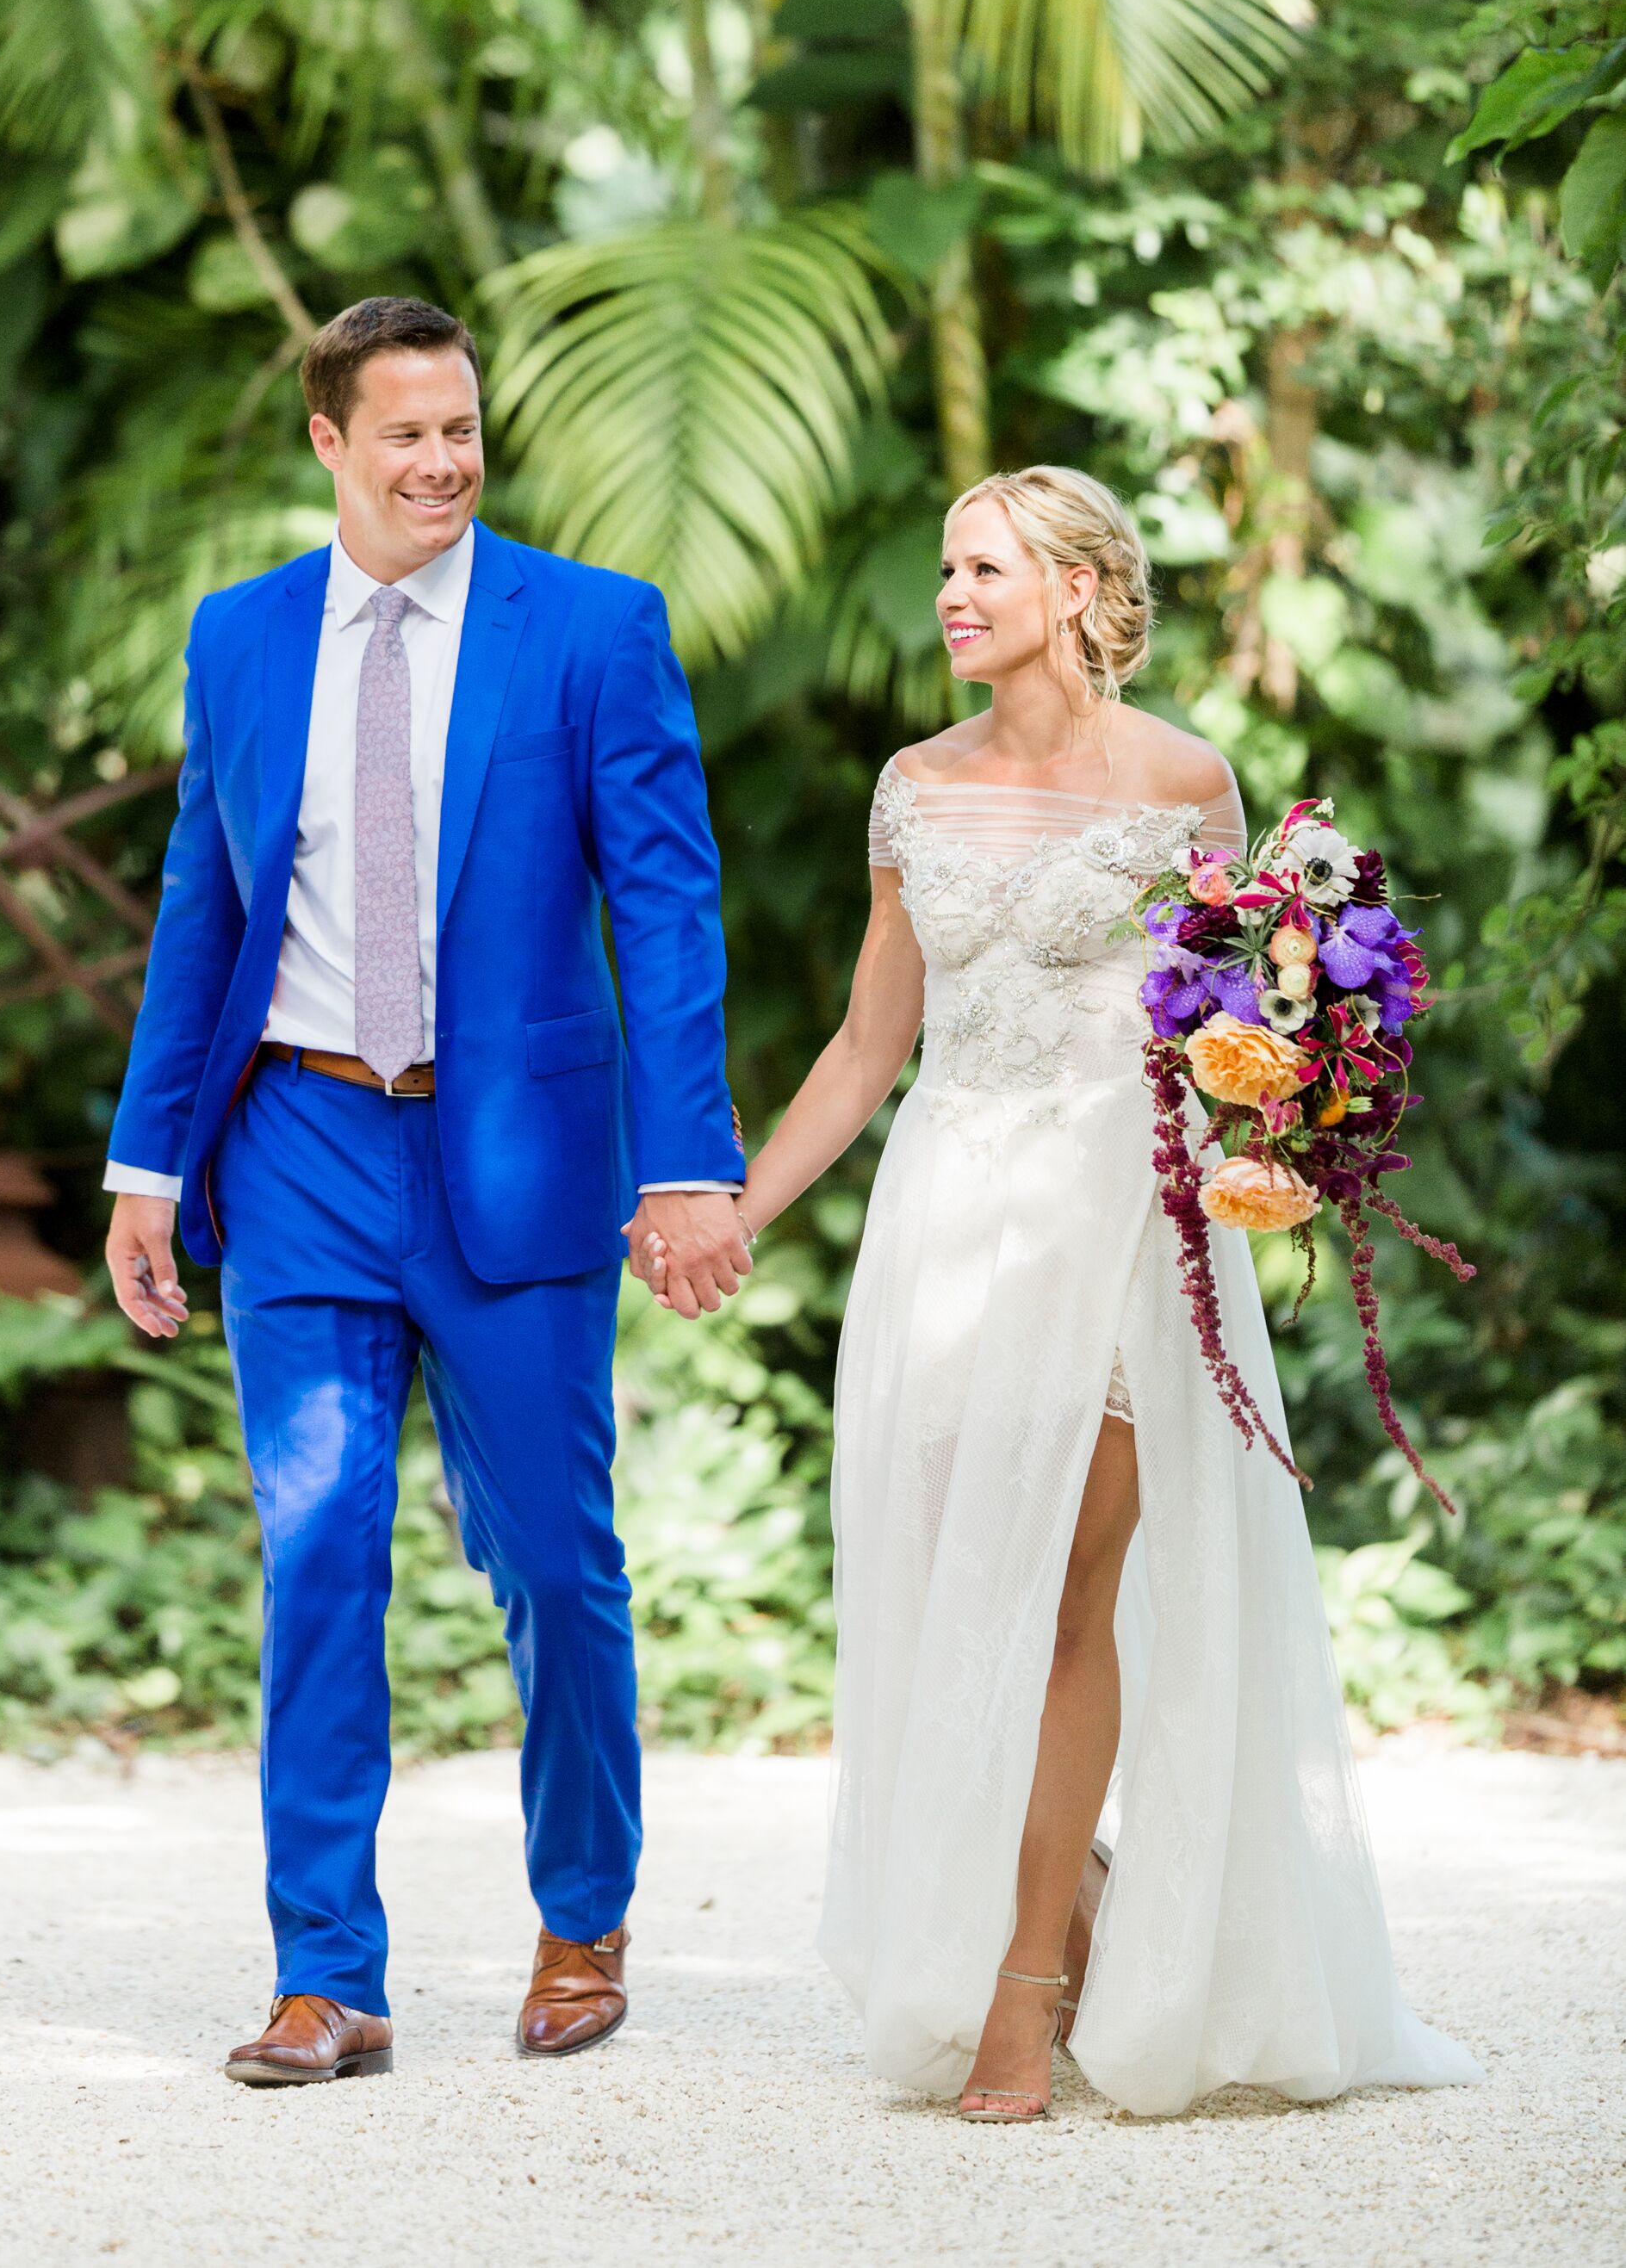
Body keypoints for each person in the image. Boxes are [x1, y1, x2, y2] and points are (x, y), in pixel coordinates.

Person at [646, 466, 1478, 2120]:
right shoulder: (912, 787)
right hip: (950, 1217)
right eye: (946, 565)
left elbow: (1250, 1015)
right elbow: (870, 1044)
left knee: (1070, 1594)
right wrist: (726, 1210)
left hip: (1121, 1223)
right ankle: (1073, 1895)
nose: (950, 594)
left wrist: (1301, 1107)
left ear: (1080, 590)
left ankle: (1029, 1985)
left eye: (982, 567)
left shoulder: (1185, 780)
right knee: (967, 1587)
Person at [103, 296, 749, 2085]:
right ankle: (328, 1972)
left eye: (459, 428)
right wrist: (146, 1158)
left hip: (516, 1155)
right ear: (326, 439)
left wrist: (688, 1154)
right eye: (403, 433)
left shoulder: (593, 630)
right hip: (296, 1145)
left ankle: (581, 1916)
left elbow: (667, 905)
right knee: (317, 1555)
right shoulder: (238, 641)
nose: (441, 461)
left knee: (549, 1550)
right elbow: (197, 905)